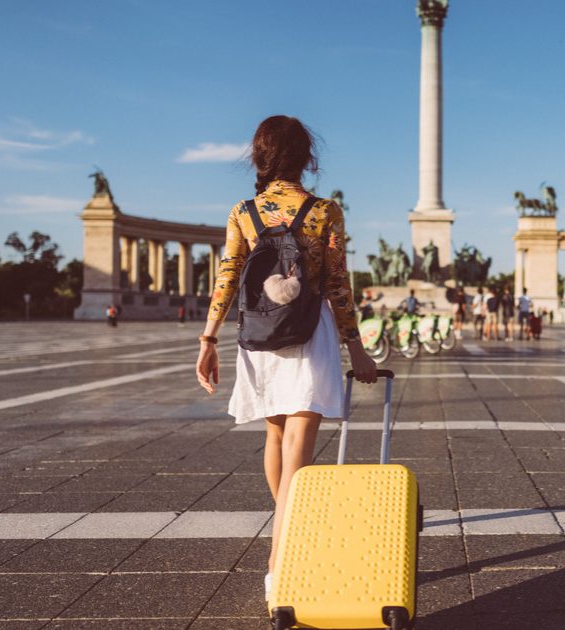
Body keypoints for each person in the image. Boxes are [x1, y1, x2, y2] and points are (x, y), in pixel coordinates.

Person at [195, 115, 377, 602]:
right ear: (306, 158)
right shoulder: (324, 211)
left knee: (276, 434)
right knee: (299, 435)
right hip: (308, 328)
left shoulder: (243, 211)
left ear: (259, 156)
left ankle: (287, 534)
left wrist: (208, 339)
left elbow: (228, 275)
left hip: (258, 329)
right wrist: (356, 347)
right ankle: (282, 557)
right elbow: (338, 283)